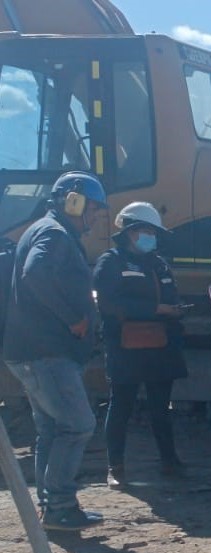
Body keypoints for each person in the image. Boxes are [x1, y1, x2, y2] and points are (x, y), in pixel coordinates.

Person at [2, 172, 105, 530]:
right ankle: (60, 506)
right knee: (78, 425)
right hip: (47, 352)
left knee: (52, 430)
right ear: (71, 202)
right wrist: (72, 319)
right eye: (90, 208)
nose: (93, 217)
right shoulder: (54, 233)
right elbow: (36, 273)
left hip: (33, 352)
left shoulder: (44, 229)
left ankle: (52, 508)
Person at [93, 203, 187, 486]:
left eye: (153, 232)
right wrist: (156, 309)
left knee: (161, 408)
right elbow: (109, 304)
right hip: (125, 349)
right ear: (130, 232)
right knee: (121, 405)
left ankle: (170, 461)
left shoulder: (159, 263)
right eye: (146, 231)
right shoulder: (111, 262)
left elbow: (171, 296)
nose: (150, 236)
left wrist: (175, 310)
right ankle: (116, 467)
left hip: (161, 347)